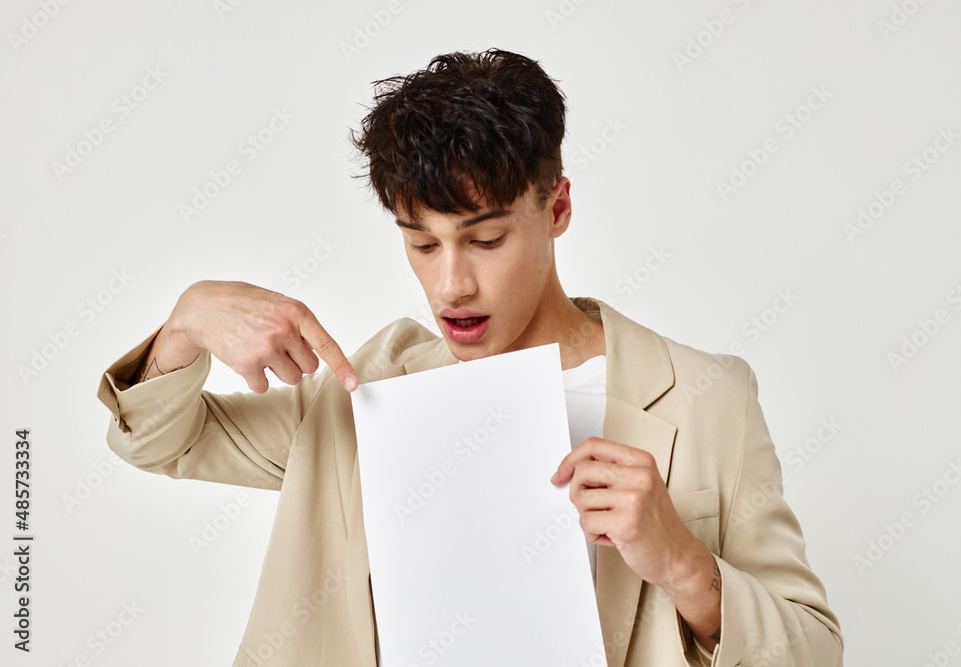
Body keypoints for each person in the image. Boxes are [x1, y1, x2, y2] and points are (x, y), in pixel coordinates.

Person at [97, 49, 843, 666]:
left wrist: (686, 566)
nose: (451, 282)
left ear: (556, 209)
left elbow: (814, 649)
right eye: (421, 243)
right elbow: (168, 439)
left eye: (485, 240)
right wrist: (186, 323)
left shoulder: (709, 397)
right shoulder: (371, 385)